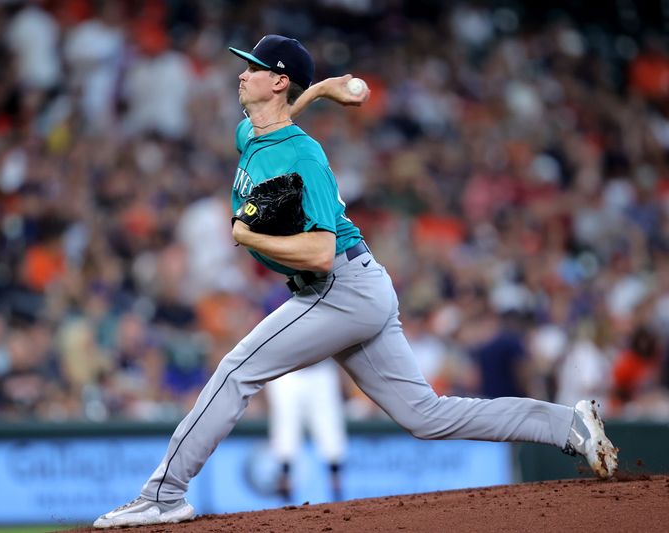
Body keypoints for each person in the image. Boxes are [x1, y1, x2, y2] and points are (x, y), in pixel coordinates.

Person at [94, 34, 618, 528]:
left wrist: (250, 238)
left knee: (236, 372)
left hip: (337, 286)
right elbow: (276, 123)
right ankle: (566, 426)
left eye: (254, 67)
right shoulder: (251, 132)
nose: (242, 73)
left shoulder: (305, 157)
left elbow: (320, 253)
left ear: (278, 81)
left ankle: (162, 496)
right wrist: (319, 90)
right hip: (357, 287)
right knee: (425, 415)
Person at [266, 359, 347, 502]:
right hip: (285, 370)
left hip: (320, 370)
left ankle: (336, 481)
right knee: (285, 427)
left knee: (329, 427)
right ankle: (286, 480)